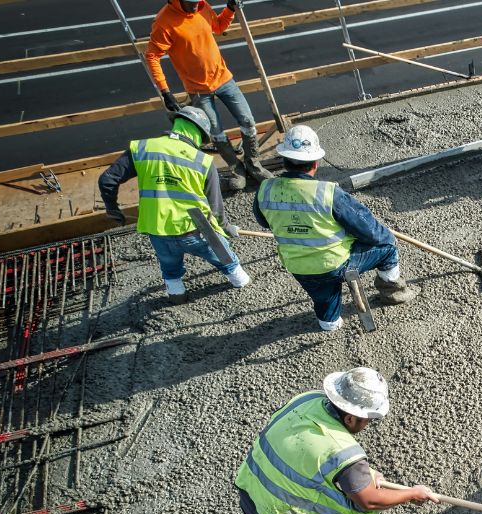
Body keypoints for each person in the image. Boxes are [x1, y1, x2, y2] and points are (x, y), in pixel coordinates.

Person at [234, 367, 439, 514]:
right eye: (368, 418)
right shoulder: (343, 452)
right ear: (350, 418)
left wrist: (364, 476)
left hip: (254, 494)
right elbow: (369, 502)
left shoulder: (306, 400)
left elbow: (309, 456)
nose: (368, 424)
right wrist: (412, 494)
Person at [253, 125, 419, 332]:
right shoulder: (327, 192)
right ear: (315, 163)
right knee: (387, 245)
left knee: (323, 294)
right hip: (336, 264)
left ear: (284, 161)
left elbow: (264, 221)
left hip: (298, 267)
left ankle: (329, 324)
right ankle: (394, 291)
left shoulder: (265, 189)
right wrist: (386, 235)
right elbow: (367, 229)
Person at [98, 106, 250, 304]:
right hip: (196, 229)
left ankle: (177, 296)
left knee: (170, 270)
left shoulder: (143, 149)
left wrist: (113, 210)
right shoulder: (203, 161)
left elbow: (107, 180)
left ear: (177, 124)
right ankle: (242, 285)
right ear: (199, 134)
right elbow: (215, 207)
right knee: (228, 261)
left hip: (158, 230)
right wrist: (226, 228)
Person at [145, 0, 273, 190]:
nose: (195, 5)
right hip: (198, 89)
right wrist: (165, 91)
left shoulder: (203, 7)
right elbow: (152, 56)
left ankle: (254, 164)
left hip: (223, 79)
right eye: (191, 3)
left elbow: (219, 27)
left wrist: (230, 9)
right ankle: (236, 167)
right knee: (216, 131)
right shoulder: (164, 21)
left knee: (247, 120)